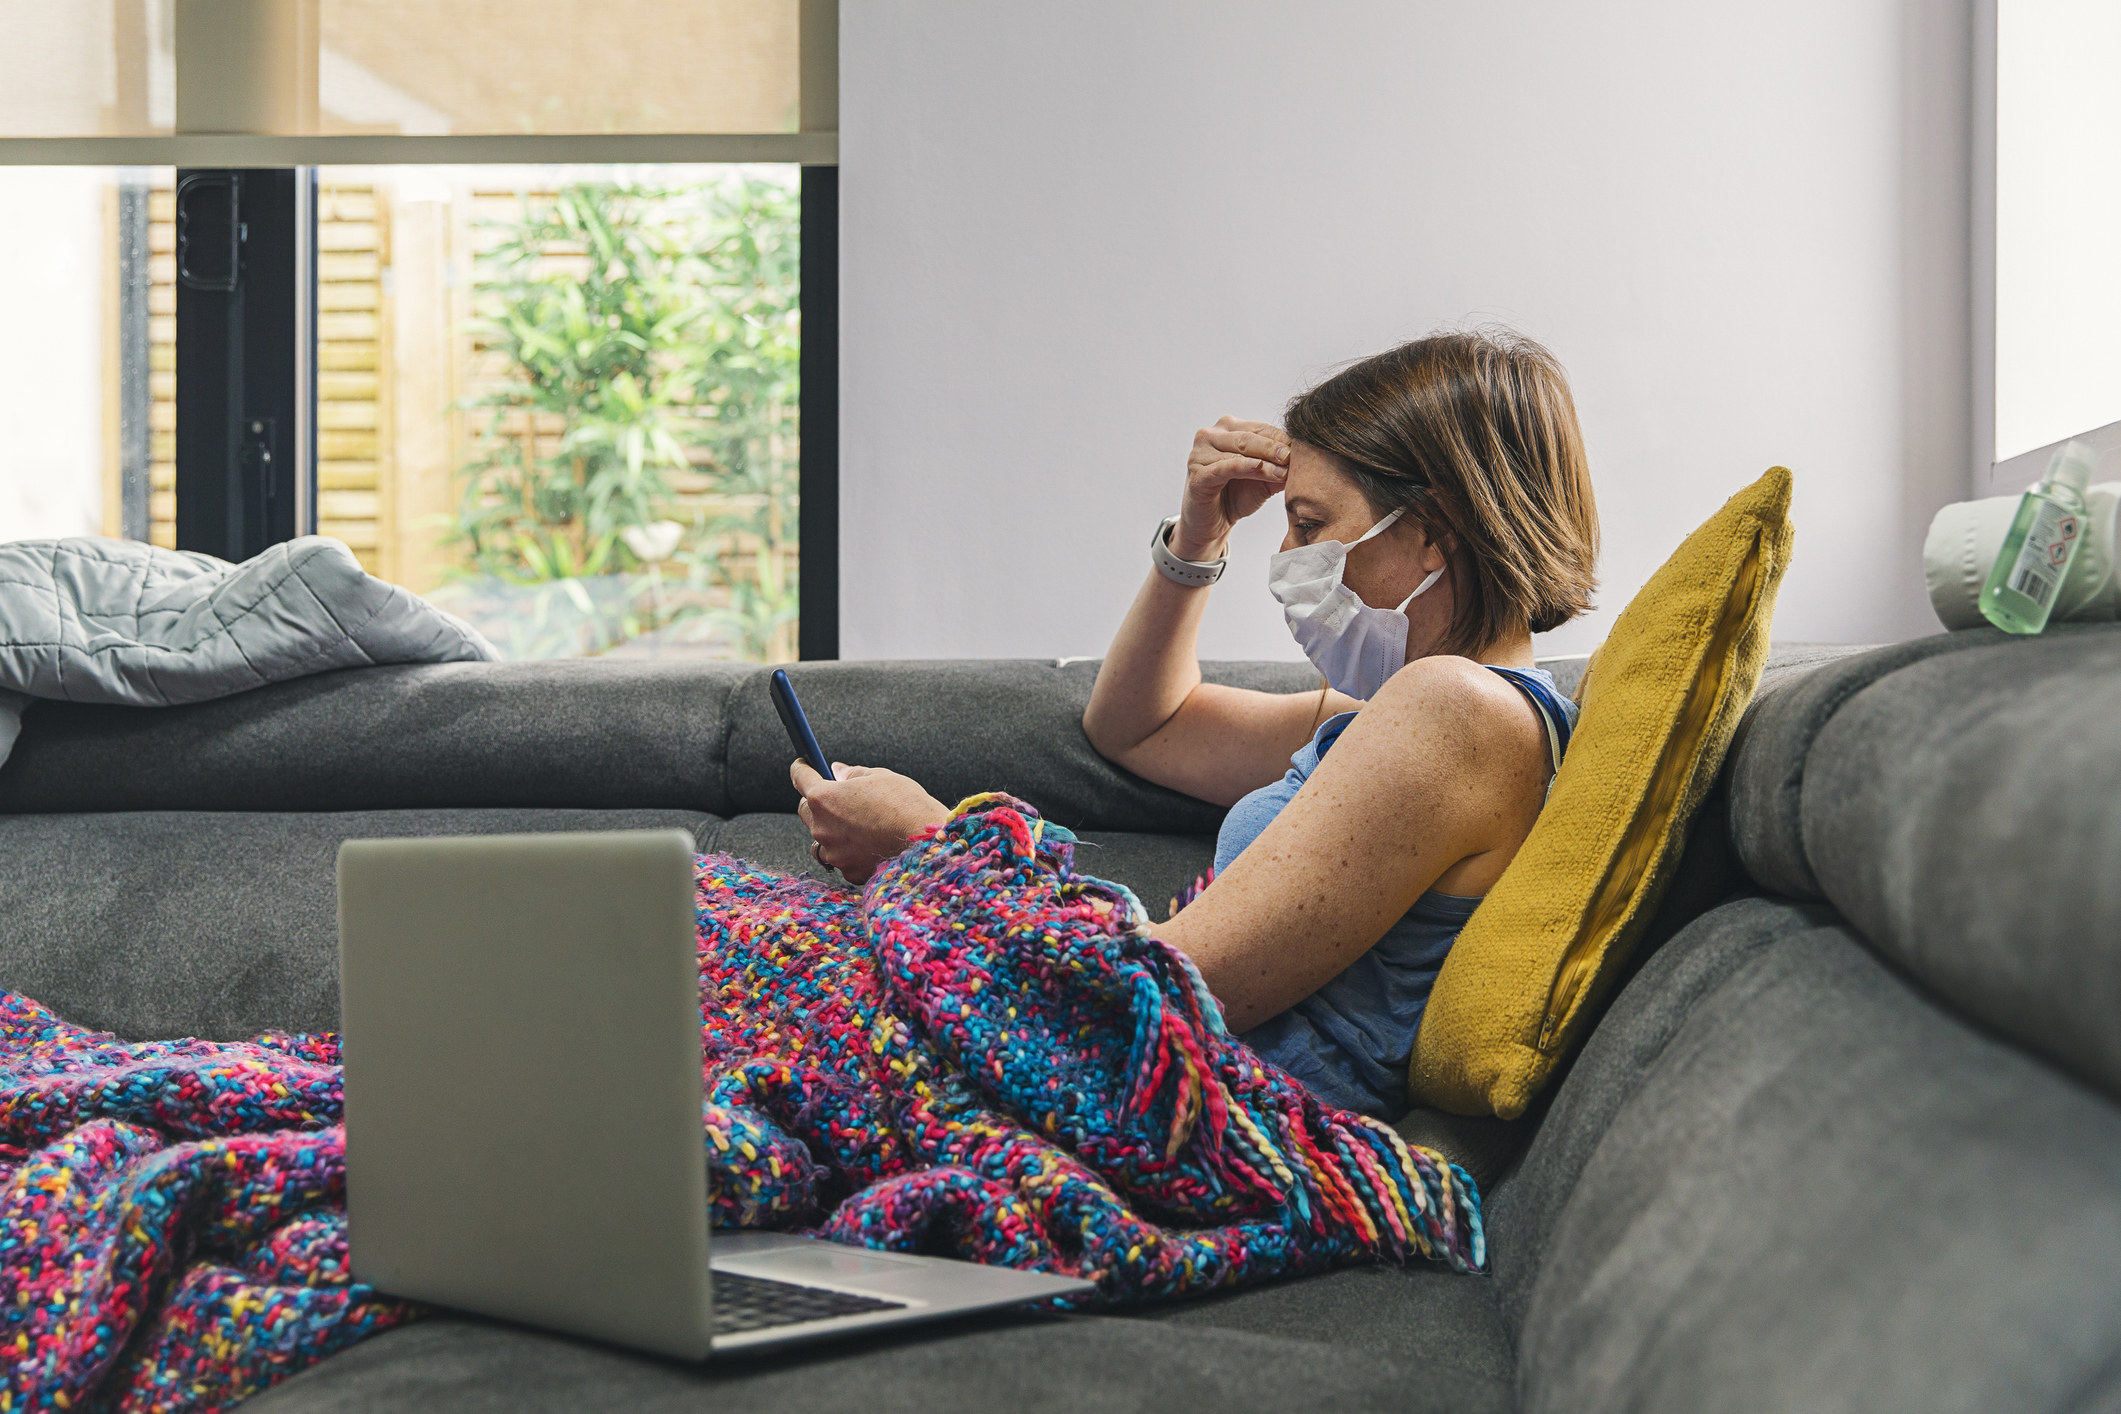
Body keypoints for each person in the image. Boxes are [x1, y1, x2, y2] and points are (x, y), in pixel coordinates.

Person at [791, 330, 1601, 1118]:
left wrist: (930, 851)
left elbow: (1163, 990)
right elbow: (1140, 726)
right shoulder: (1399, 712)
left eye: (1311, 526)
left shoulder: (1455, 714)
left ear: (1432, 531)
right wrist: (1199, 532)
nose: (1285, 555)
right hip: (1163, 1075)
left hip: (1196, 1107)